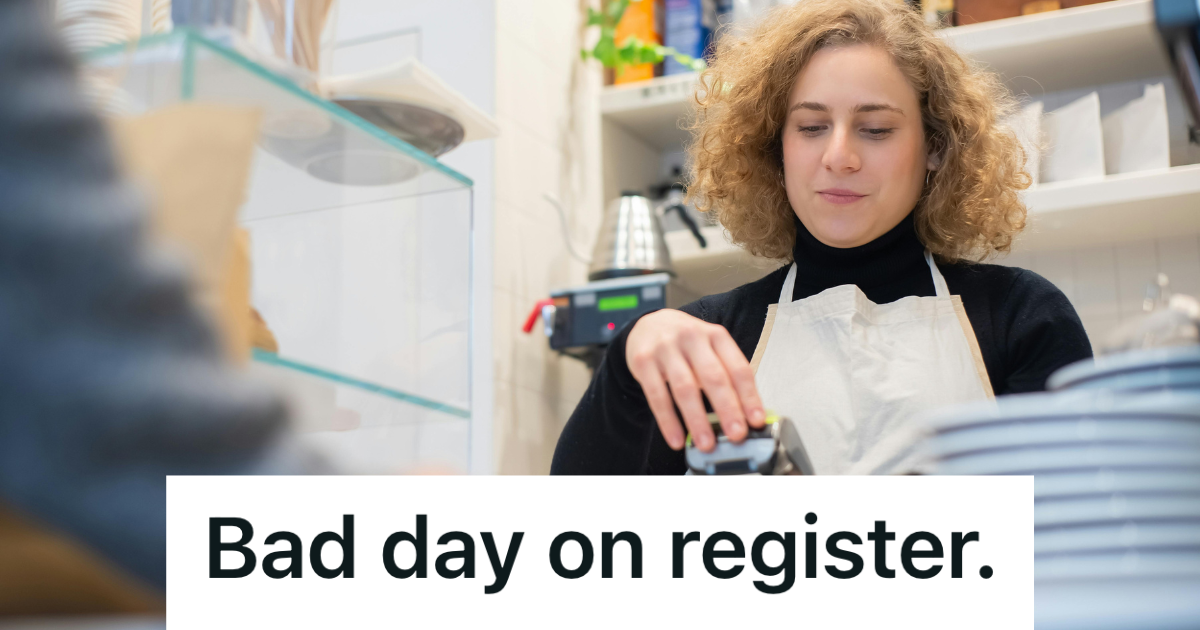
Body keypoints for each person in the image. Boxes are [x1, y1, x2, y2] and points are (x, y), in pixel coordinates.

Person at [551, 0, 1092, 475]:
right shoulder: (712, 343)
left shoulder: (1020, 318)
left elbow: (1075, 533)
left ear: (935, 147)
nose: (839, 156)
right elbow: (583, 533)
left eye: (875, 129)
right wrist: (626, 359)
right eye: (811, 128)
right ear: (776, 149)